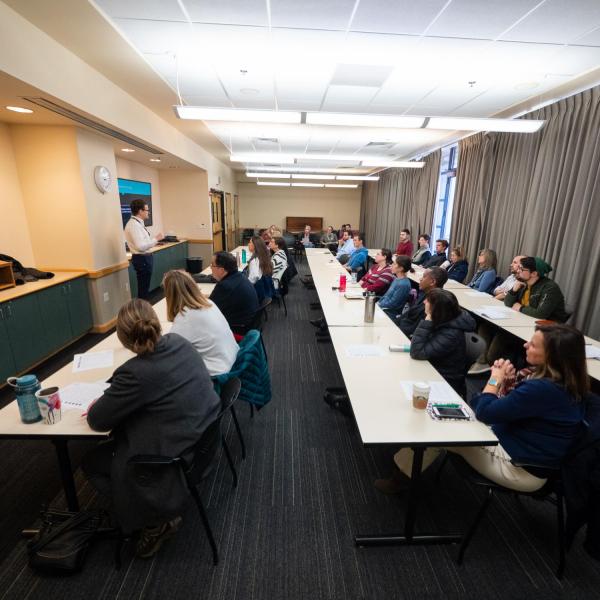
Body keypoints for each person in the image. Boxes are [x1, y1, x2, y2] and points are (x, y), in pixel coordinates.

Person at [376, 324, 588, 494]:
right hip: (517, 447)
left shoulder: (543, 388)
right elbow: (508, 409)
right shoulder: (560, 381)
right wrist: (506, 386)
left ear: (552, 356)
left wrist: (495, 379)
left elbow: (485, 410)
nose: (525, 345)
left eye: (533, 345)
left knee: (439, 430)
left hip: (519, 468)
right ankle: (402, 471)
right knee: (445, 420)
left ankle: (400, 478)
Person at [83, 299, 221, 555]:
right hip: (201, 440)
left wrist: (102, 402)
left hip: (173, 459)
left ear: (123, 338)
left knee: (92, 461)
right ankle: (150, 507)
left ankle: (153, 518)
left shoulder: (135, 373)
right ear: (156, 324)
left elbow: (97, 420)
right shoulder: (179, 342)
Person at [163, 270, 238, 376]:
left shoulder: (185, 317)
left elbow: (168, 353)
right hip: (232, 359)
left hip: (218, 375)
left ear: (170, 295)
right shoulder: (208, 303)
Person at [409, 288, 476, 394]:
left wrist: (426, 322)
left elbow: (417, 352)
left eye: (428, 300)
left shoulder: (450, 334)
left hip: (443, 379)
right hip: (432, 367)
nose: (424, 302)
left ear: (436, 309)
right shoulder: (444, 320)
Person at [504, 256, 568, 321]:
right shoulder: (523, 282)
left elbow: (541, 314)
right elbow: (507, 303)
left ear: (534, 274)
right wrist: (513, 290)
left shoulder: (550, 287)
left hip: (546, 326)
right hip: (524, 319)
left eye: (521, 269)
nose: (518, 271)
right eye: (518, 267)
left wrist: (520, 308)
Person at [209, 251, 259, 332]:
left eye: (212, 265)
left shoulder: (225, 286)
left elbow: (209, 309)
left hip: (237, 329)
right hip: (248, 324)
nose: (210, 268)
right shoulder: (240, 277)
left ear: (221, 270)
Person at [124, 199, 164, 300]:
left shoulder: (138, 223)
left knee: (145, 288)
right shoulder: (133, 225)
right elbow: (140, 246)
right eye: (147, 210)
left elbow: (143, 242)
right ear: (140, 211)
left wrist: (154, 240)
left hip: (145, 259)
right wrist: (156, 239)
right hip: (142, 259)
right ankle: (143, 312)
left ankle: (144, 310)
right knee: (143, 289)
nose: (148, 212)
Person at [396, 266, 448, 337]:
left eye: (423, 277)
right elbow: (409, 313)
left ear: (432, 282)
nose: (420, 279)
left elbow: (415, 329)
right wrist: (393, 323)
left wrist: (396, 330)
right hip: (402, 327)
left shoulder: (435, 304)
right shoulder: (425, 294)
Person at [246, 235, 274, 303]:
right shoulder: (263, 255)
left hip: (257, 293)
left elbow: (253, 279)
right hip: (264, 290)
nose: (248, 244)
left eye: (250, 243)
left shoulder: (255, 260)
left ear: (255, 246)